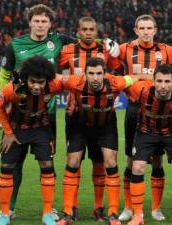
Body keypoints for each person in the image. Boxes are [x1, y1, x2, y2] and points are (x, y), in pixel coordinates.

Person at [0, 4, 74, 221]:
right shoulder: (15, 45)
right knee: (12, 163)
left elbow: (85, 44)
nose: (40, 25)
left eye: (44, 21)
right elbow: (4, 75)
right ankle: (8, 208)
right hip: (16, 115)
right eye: (36, 21)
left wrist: (105, 44)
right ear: (30, 22)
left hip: (47, 115)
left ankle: (49, 209)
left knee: (48, 163)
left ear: (50, 23)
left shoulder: (58, 40)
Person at [56, 57, 143, 225]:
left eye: (98, 74)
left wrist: (155, 79)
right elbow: (56, 78)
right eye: (91, 74)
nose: (95, 78)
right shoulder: (75, 81)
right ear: (85, 74)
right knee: (73, 162)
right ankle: (67, 212)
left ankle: (110, 212)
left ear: (105, 74)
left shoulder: (116, 82)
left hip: (106, 126)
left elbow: (136, 76)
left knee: (110, 162)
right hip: (80, 125)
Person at [116, 14, 172, 222]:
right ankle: (128, 207)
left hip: (161, 110)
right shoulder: (124, 49)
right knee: (130, 160)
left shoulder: (166, 51)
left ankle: (156, 208)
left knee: (157, 160)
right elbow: (106, 62)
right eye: (141, 28)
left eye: (149, 28)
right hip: (135, 108)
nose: (145, 31)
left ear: (155, 30)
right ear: (135, 30)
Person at [58, 16, 121, 222]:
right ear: (78, 30)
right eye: (84, 29)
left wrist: (116, 51)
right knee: (73, 161)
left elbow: (119, 70)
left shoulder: (106, 49)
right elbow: (53, 72)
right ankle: (70, 209)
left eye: (91, 29)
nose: (88, 32)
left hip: (104, 114)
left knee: (101, 162)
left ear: (96, 31)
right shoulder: (67, 50)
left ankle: (100, 208)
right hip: (76, 114)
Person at [0, 55, 61, 225]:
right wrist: (8, 132)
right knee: (6, 167)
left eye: (41, 82)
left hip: (41, 129)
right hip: (16, 130)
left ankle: (47, 214)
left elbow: (74, 81)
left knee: (47, 166)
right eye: (33, 82)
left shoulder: (54, 85)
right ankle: (4, 214)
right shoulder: (12, 89)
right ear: (25, 79)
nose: (37, 86)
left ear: (47, 80)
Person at [126, 65, 172, 225]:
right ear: (153, 81)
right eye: (159, 81)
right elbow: (119, 83)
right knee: (137, 167)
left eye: (167, 81)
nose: (163, 86)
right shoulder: (141, 90)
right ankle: (138, 216)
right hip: (146, 132)